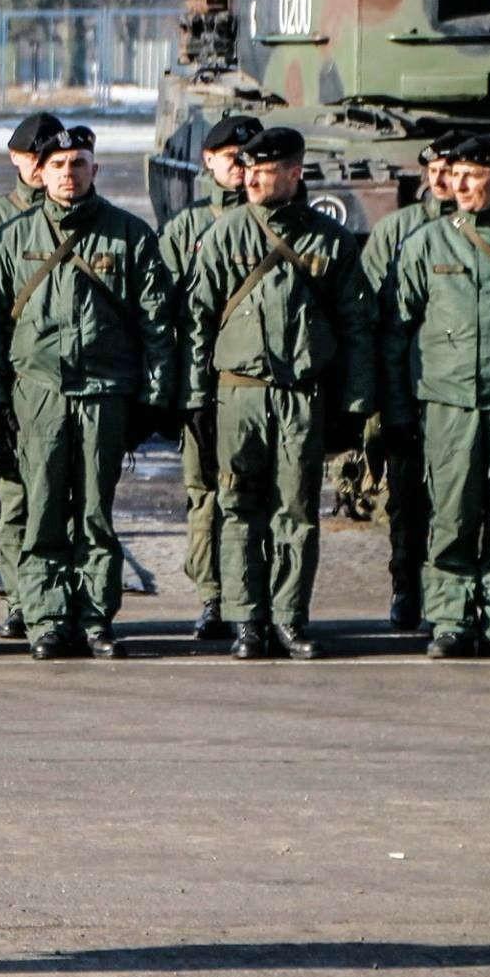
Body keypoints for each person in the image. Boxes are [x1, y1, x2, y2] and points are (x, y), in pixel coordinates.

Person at [0, 126, 176, 660]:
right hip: (38, 395)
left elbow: (157, 325)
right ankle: (46, 619)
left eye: (79, 163)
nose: (69, 173)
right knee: (41, 512)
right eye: (59, 164)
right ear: (40, 173)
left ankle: (94, 618)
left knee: (95, 514)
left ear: (95, 169)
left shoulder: (129, 235)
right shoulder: (12, 238)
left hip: (103, 395)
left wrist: (153, 400)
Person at [186, 127, 374, 660]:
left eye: (265, 172)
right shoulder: (225, 235)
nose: (251, 180)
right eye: (248, 170)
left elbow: (356, 325)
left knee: (296, 510)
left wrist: (357, 403)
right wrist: (195, 399)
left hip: (301, 396)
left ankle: (289, 617)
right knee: (238, 506)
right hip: (238, 394)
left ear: (294, 173)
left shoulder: (330, 241)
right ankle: (247, 619)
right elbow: (197, 321)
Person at [385, 134, 490, 660]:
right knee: (451, 516)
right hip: (448, 405)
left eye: (473, 176)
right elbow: (397, 331)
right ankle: (451, 619)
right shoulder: (429, 243)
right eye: (456, 176)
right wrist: (398, 408)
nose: (459, 184)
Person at [158, 113, 260, 640]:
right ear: (209, 162)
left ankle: (256, 596)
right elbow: (163, 314)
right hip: (203, 382)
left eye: (250, 158)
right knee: (204, 494)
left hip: (260, 383)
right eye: (230, 159)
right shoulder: (185, 229)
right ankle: (212, 595)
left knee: (258, 495)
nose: (241, 167)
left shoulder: (279, 224)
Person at [0, 112, 63, 640]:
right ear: (17, 160)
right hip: (14, 386)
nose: (43, 167)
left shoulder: (80, 219)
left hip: (66, 386)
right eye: (34, 157)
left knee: (67, 501)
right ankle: (21, 598)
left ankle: (60, 600)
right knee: (17, 498)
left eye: (52, 157)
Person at [360, 130, 465, 631]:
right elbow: (373, 314)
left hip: (465, 391)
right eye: (434, 170)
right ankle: (406, 587)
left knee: (466, 500)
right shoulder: (396, 231)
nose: (441, 179)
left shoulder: (485, 228)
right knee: (406, 498)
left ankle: (459, 596)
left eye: (452, 170)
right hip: (407, 386)